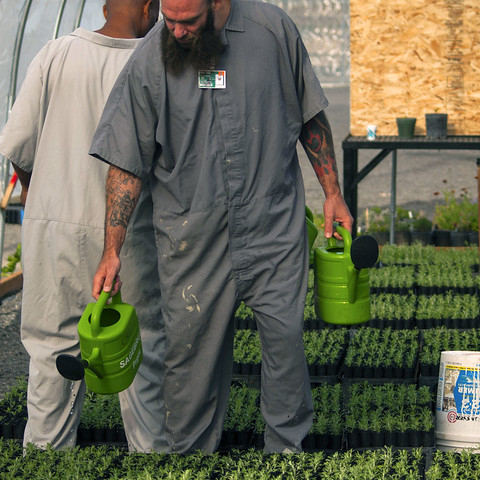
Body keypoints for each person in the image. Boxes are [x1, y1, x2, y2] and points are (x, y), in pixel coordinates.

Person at [90, 0, 353, 454]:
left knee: (285, 348)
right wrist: (111, 249)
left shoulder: (273, 32)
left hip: (273, 228)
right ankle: (190, 460)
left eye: (187, 21)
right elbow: (125, 163)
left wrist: (332, 191)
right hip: (192, 242)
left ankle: (285, 455)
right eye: (168, 19)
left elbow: (310, 115)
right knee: (189, 364)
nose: (175, 31)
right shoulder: (151, 59)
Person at [0, 0, 168, 452]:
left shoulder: (56, 55)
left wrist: (44, 190)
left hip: (54, 227)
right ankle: (150, 461)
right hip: (127, 234)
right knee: (140, 353)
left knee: (52, 356)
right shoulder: (156, 63)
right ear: (150, 6)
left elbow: (19, 147)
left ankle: (45, 460)